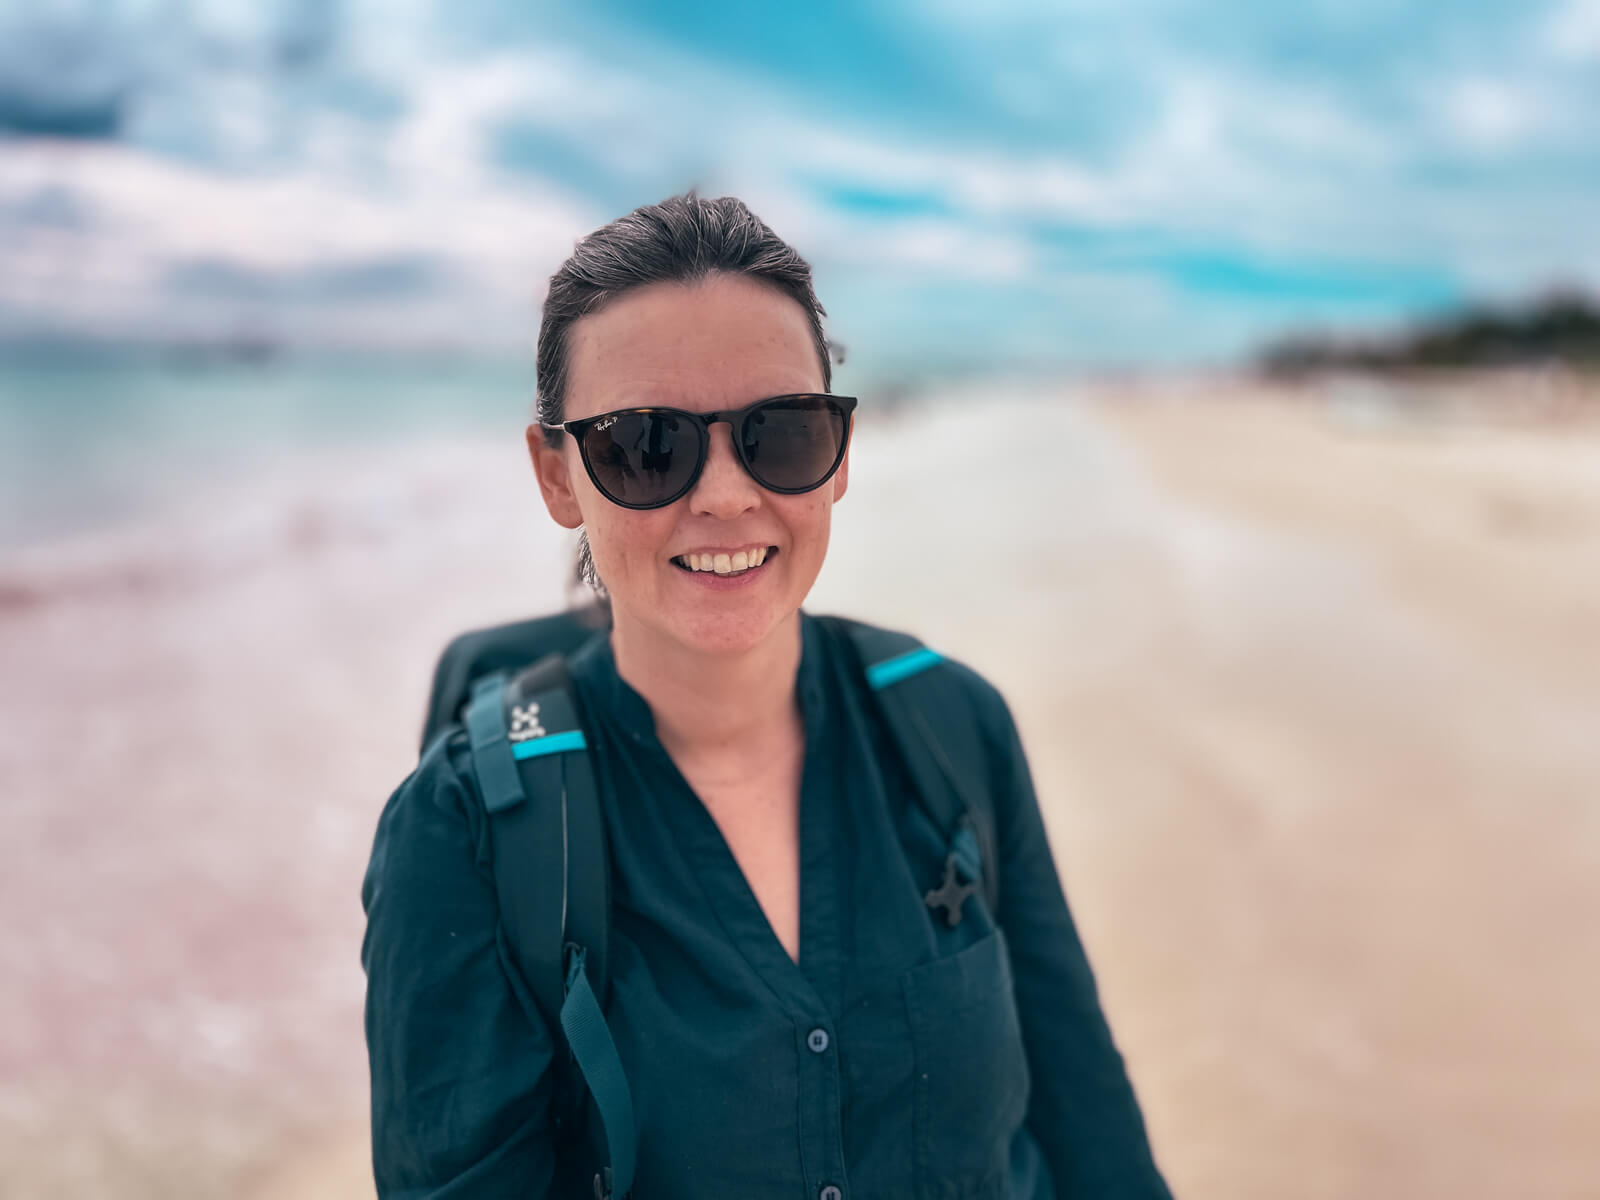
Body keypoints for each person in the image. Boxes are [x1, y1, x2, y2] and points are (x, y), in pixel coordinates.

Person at [361, 193, 1172, 1199]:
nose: (725, 495)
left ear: (839, 454)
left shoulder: (955, 727)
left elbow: (1087, 1115)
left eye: (779, 433)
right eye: (646, 444)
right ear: (559, 476)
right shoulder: (464, 834)